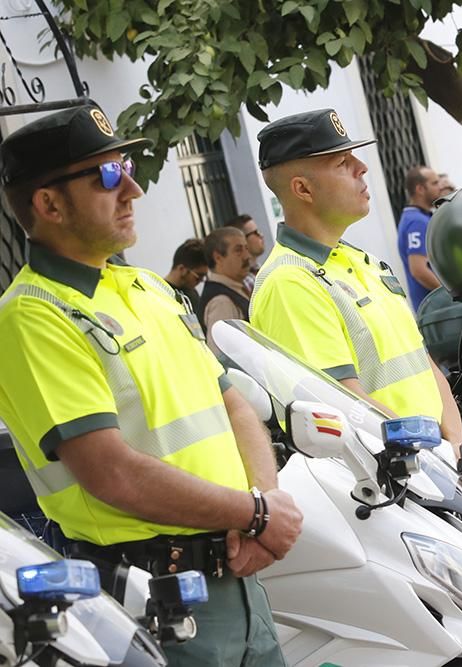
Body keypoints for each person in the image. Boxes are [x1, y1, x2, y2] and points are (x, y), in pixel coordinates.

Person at [0, 103, 301, 665]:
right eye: (109, 176)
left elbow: (231, 401)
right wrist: (254, 515)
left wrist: (264, 506)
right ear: (49, 203)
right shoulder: (32, 315)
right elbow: (111, 472)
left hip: (238, 578)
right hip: (155, 601)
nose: (133, 189)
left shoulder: (149, 288)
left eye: (127, 168)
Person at [249, 109, 462, 452]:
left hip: (439, 470)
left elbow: (422, 362)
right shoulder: (290, 281)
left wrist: (454, 442)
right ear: (302, 188)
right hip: (394, 480)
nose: (361, 167)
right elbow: (343, 401)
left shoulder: (366, 263)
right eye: (341, 162)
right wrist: (433, 454)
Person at [396, 165, 444, 310]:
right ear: (420, 189)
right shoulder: (417, 221)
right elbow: (418, 270)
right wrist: (449, 294)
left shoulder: (418, 217)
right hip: (436, 309)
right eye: (434, 183)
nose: (440, 187)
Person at [199, 226, 252, 355]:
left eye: (246, 248)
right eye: (238, 250)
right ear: (218, 257)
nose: (247, 256)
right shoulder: (221, 302)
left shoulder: (235, 289)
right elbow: (221, 356)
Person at [163, 237, 208, 312]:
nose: (201, 281)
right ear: (182, 269)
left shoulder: (192, 294)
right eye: (199, 276)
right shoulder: (161, 294)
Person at [225, 213, 266, 290]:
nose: (261, 235)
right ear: (241, 240)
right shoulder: (241, 282)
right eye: (255, 233)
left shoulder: (260, 270)